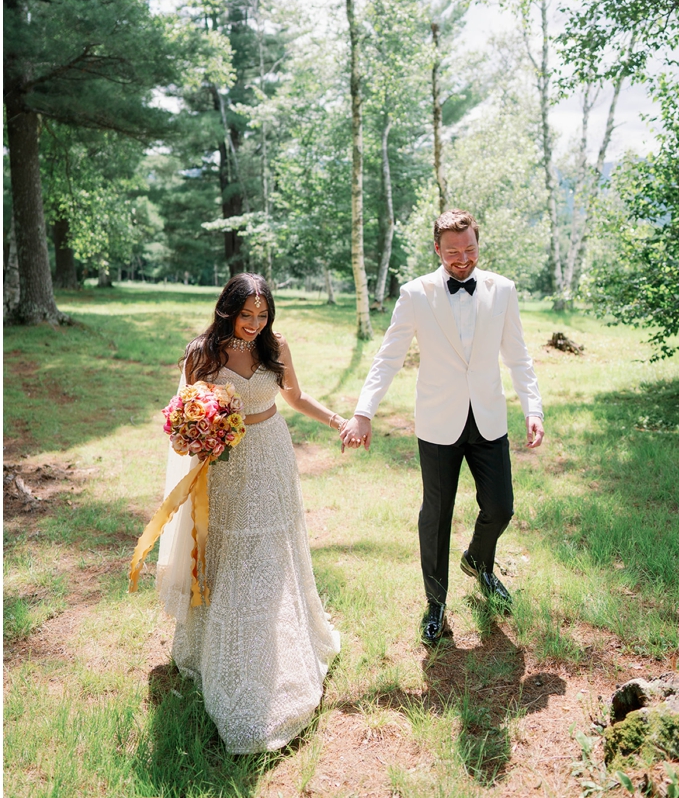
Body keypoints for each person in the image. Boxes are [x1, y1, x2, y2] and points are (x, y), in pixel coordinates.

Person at [153, 273, 343, 753]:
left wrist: (336, 419)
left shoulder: (276, 346)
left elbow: (294, 397)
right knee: (229, 544)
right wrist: (193, 434)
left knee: (270, 548)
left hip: (272, 455)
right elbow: (182, 415)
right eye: (246, 315)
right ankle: (220, 649)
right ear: (228, 310)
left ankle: (278, 644)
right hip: (225, 463)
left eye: (262, 315)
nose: (255, 324)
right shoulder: (203, 353)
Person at [340, 209, 543, 646]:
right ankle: (435, 604)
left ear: (477, 244)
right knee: (436, 516)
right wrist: (364, 411)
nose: (462, 259)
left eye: (469, 249)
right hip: (437, 423)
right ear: (437, 249)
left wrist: (534, 408)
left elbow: (519, 356)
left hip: (488, 418)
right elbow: (388, 357)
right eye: (452, 252)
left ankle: (479, 562)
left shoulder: (502, 290)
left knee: (502, 507)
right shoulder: (416, 294)